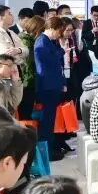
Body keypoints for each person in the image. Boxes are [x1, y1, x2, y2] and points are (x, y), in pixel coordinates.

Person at [34, 16, 68, 161]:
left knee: (50, 120)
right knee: (46, 122)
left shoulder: (49, 41)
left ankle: (50, 149)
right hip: (47, 87)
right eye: (59, 31)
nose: (59, 35)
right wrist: (61, 52)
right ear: (52, 28)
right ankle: (45, 152)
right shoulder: (42, 42)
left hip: (53, 85)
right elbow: (45, 66)